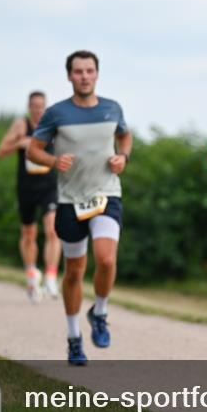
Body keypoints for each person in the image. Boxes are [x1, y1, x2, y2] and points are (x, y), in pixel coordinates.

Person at [28, 50, 131, 366]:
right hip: (70, 201)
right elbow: (33, 150)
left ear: (96, 74)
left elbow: (124, 136)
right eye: (78, 71)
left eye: (89, 71)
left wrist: (123, 157)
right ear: (69, 76)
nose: (84, 76)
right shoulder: (56, 113)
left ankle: (99, 312)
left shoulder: (112, 108)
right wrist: (52, 160)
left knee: (106, 259)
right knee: (73, 271)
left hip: (106, 196)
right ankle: (74, 338)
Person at [0, 91, 61, 303]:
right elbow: (1, 151)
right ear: (29, 107)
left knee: (53, 229)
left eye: (42, 106)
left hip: (49, 186)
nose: (38, 110)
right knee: (28, 234)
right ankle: (32, 274)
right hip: (26, 188)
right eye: (35, 106)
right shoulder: (20, 126)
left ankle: (51, 276)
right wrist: (19, 143)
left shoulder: (53, 126)